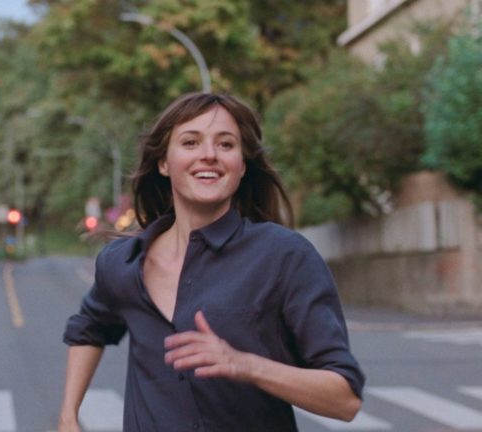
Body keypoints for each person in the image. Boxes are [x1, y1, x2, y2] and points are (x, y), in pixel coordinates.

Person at [57, 92, 365, 431]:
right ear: (163, 163)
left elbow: (345, 399)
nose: (209, 155)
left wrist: (245, 365)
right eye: (190, 142)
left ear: (242, 165)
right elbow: (89, 328)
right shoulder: (122, 262)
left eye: (226, 144)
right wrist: (68, 416)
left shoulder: (285, 256)